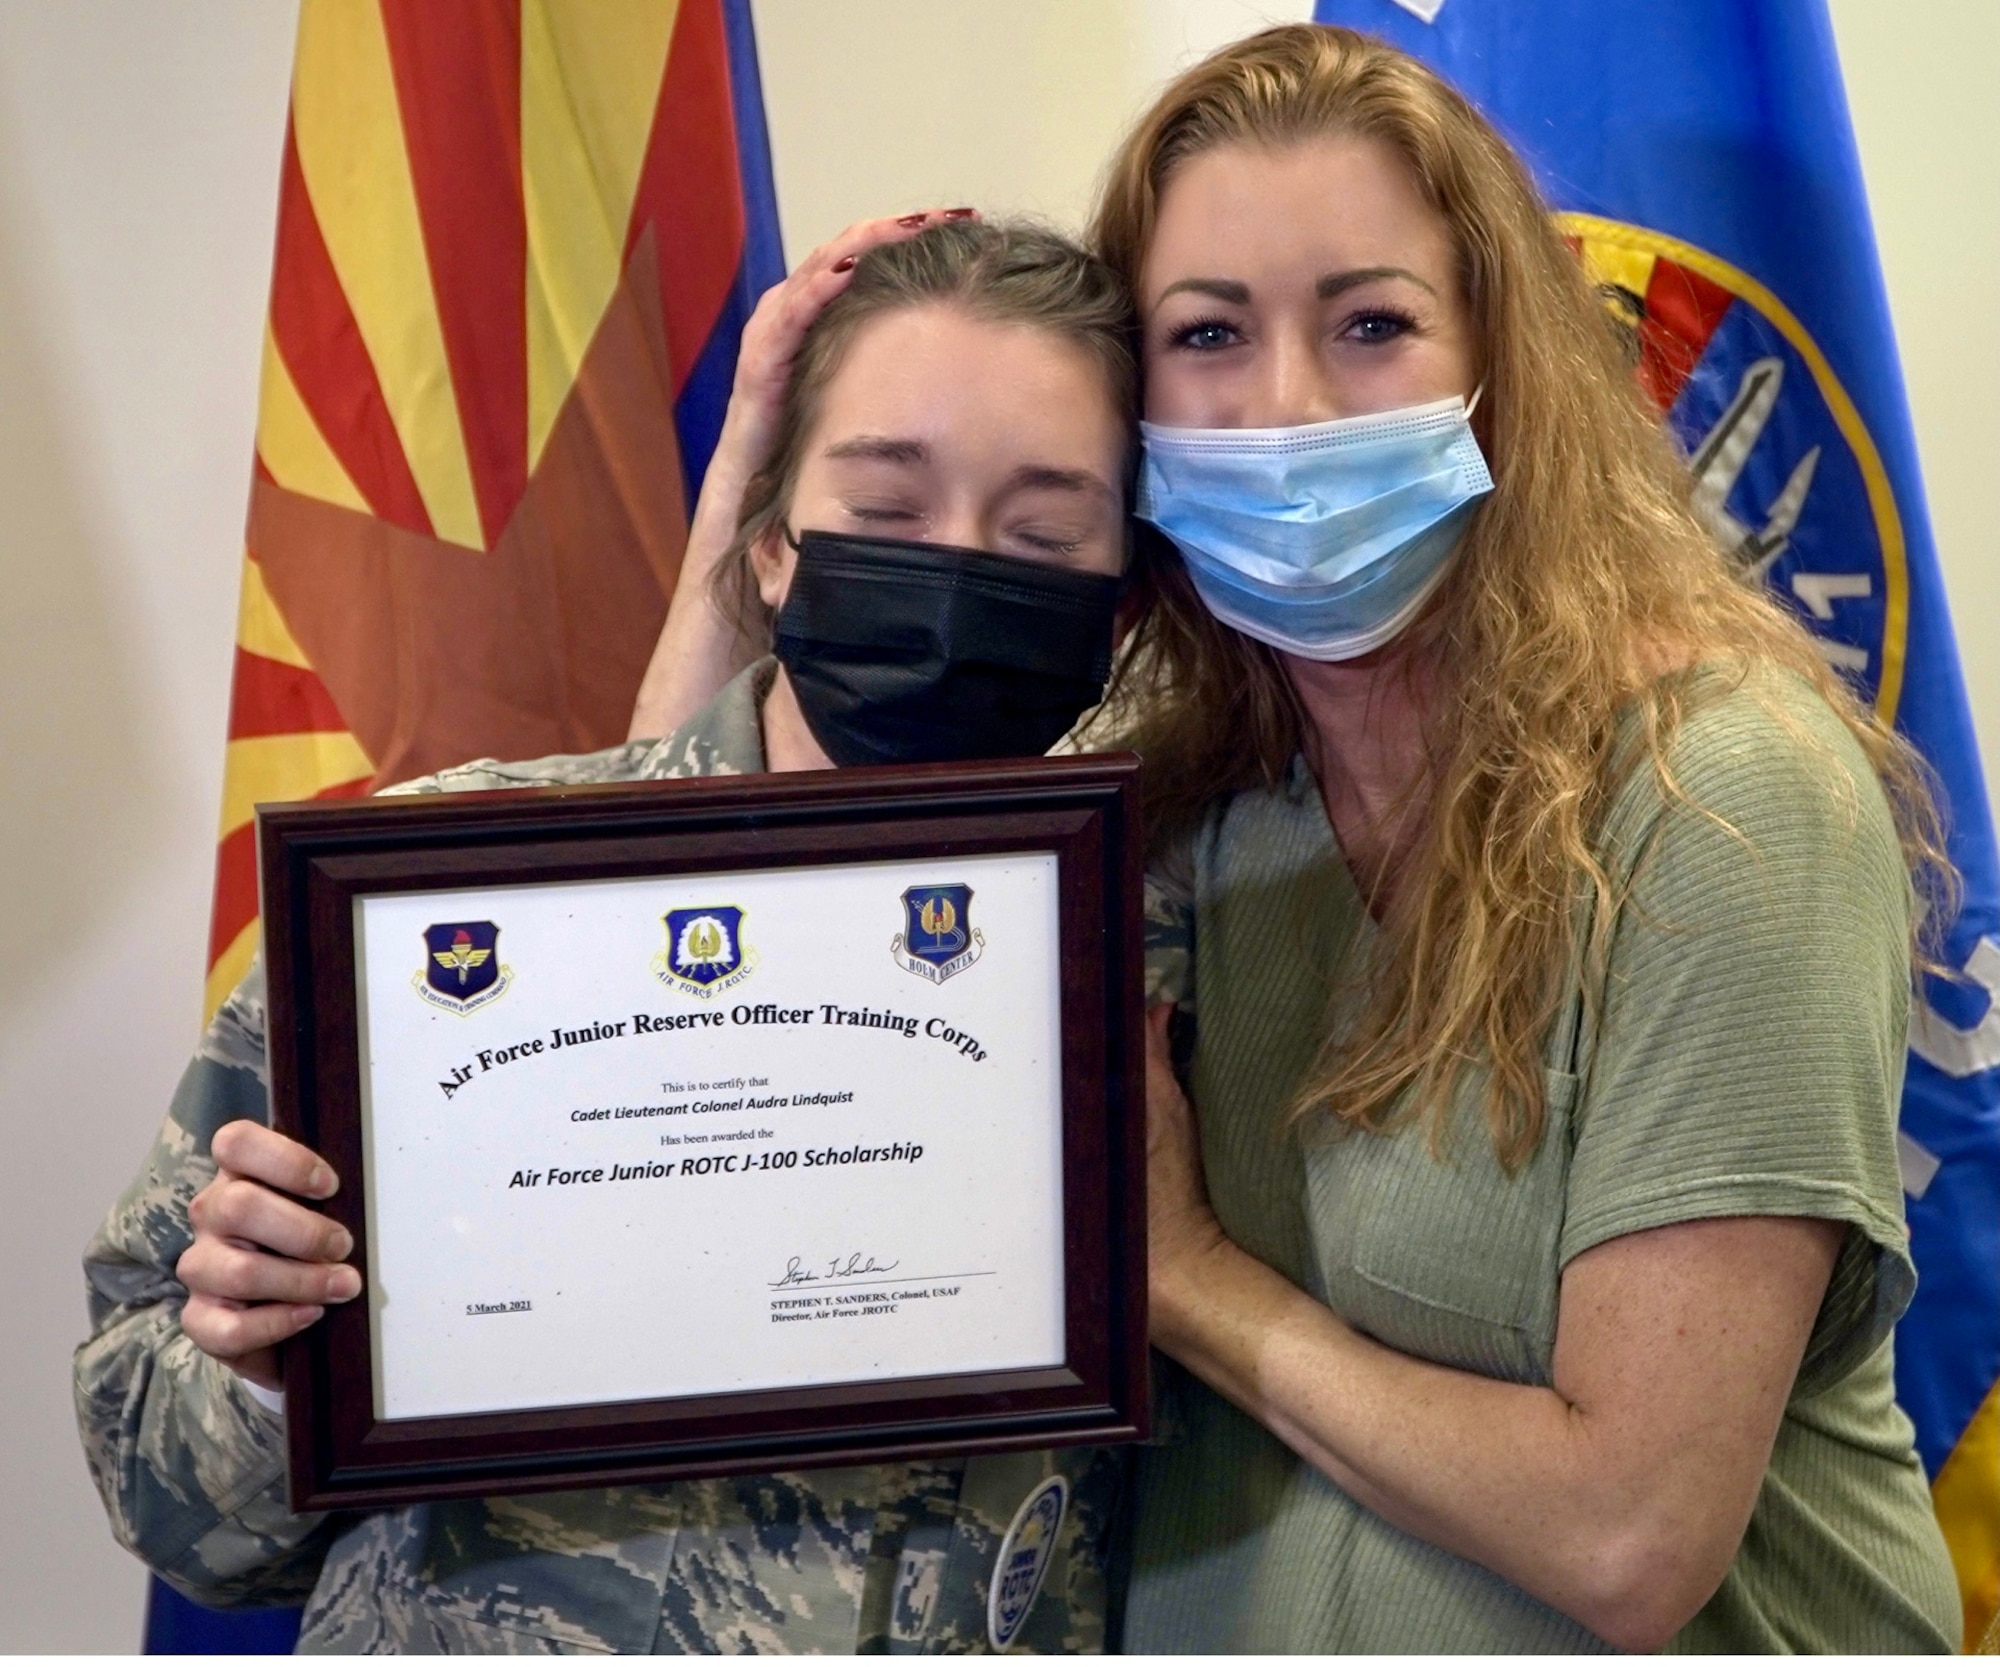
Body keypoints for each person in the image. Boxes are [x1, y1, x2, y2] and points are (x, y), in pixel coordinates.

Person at [633, 24, 1963, 1656]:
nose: (1284, 410)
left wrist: (1184, 1276)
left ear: (1503, 365)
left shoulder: (1719, 795)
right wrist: (749, 496)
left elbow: (1631, 1536)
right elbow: (675, 882)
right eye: (1209, 333)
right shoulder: (1178, 796)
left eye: (1372, 325)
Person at [74, 217, 1137, 1655]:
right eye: (886, 515)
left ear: (1121, 599)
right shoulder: (433, 907)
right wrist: (266, 1375)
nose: (955, 572)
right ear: (771, 550)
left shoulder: (1159, 980)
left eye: (1042, 536)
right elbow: (160, 1499)